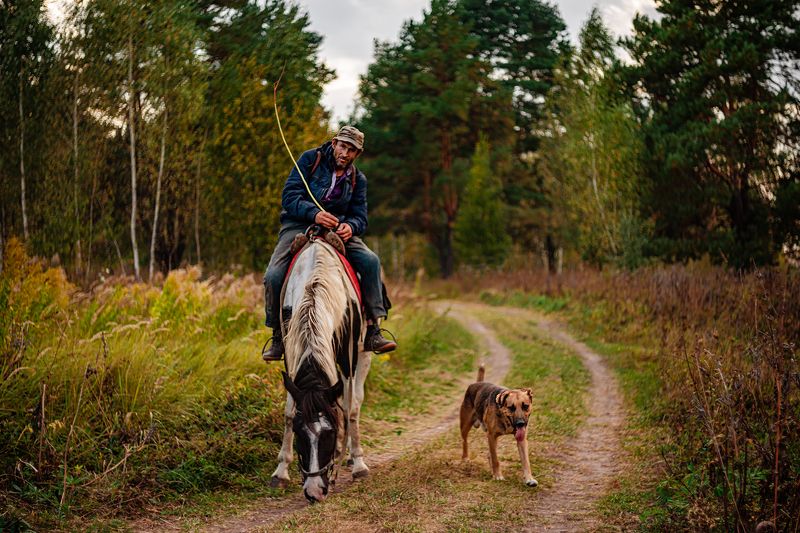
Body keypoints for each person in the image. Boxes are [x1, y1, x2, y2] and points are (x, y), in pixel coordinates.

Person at [262, 125, 397, 361]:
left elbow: (360, 217)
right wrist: (313, 214)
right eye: (343, 146)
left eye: (352, 150)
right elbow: (290, 196)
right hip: (298, 224)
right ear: (334, 143)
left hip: (338, 229)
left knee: (371, 261)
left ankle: (373, 329)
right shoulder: (309, 160)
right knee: (273, 275)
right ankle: (277, 336)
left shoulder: (358, 179)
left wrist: (351, 227)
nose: (345, 153)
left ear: (357, 154)